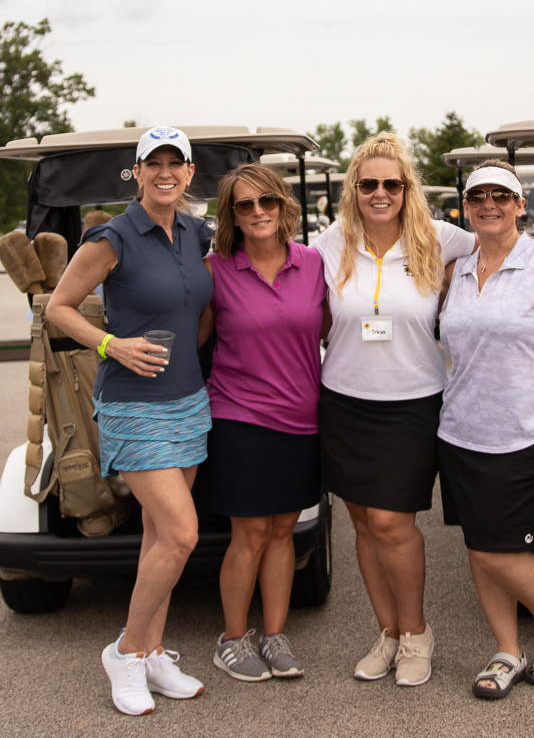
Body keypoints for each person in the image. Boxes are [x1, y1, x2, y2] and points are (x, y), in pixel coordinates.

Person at [310, 133, 534, 688]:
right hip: (344, 401)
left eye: (391, 183)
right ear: (353, 189)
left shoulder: (438, 237)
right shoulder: (331, 242)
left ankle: (416, 633)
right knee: (364, 525)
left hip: (413, 402)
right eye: (368, 184)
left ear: (407, 189)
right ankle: (387, 634)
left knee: (392, 523)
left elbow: (503, 242)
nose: (380, 193)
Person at [45, 126, 213, 717]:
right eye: (153, 164)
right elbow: (58, 307)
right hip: (133, 406)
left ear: (190, 172)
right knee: (183, 534)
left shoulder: (196, 232)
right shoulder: (111, 236)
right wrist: (110, 345)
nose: (165, 173)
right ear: (136, 173)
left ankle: (154, 653)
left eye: (175, 163)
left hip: (189, 400)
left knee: (159, 537)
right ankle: (125, 651)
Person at [436, 160, 534, 699]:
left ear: (520, 204)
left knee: (494, 549)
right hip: (460, 434)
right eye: (478, 196)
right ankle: (506, 649)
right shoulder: (456, 268)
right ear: (466, 206)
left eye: (501, 196)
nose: (489, 205)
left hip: (525, 434)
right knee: (479, 546)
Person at [196, 164, 328, 683]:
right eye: (245, 205)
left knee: (283, 530)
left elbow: (334, 329)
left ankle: (274, 635)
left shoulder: (312, 263)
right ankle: (232, 640)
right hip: (240, 417)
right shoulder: (215, 270)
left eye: (266, 201)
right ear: (231, 215)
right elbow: (194, 341)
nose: (257, 212)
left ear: (283, 205)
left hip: (302, 418)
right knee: (250, 532)